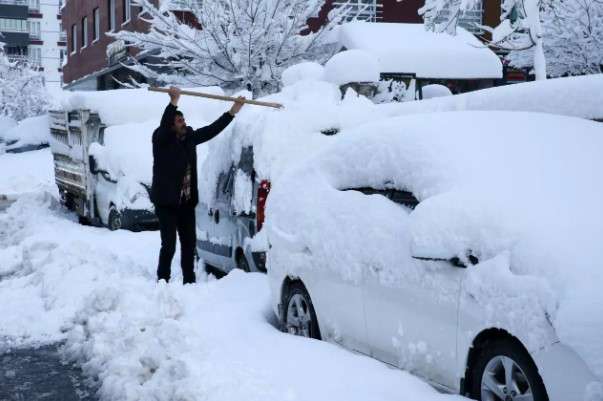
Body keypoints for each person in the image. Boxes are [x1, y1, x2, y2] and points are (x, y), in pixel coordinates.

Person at [151, 86, 245, 284]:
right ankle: (162, 280)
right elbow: (163, 125)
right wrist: (173, 102)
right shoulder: (161, 140)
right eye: (179, 121)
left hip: (185, 203)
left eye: (183, 119)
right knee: (168, 245)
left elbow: (212, 130)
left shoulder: (189, 138)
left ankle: (189, 281)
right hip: (166, 203)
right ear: (170, 125)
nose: (183, 123)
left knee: (189, 244)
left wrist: (232, 112)